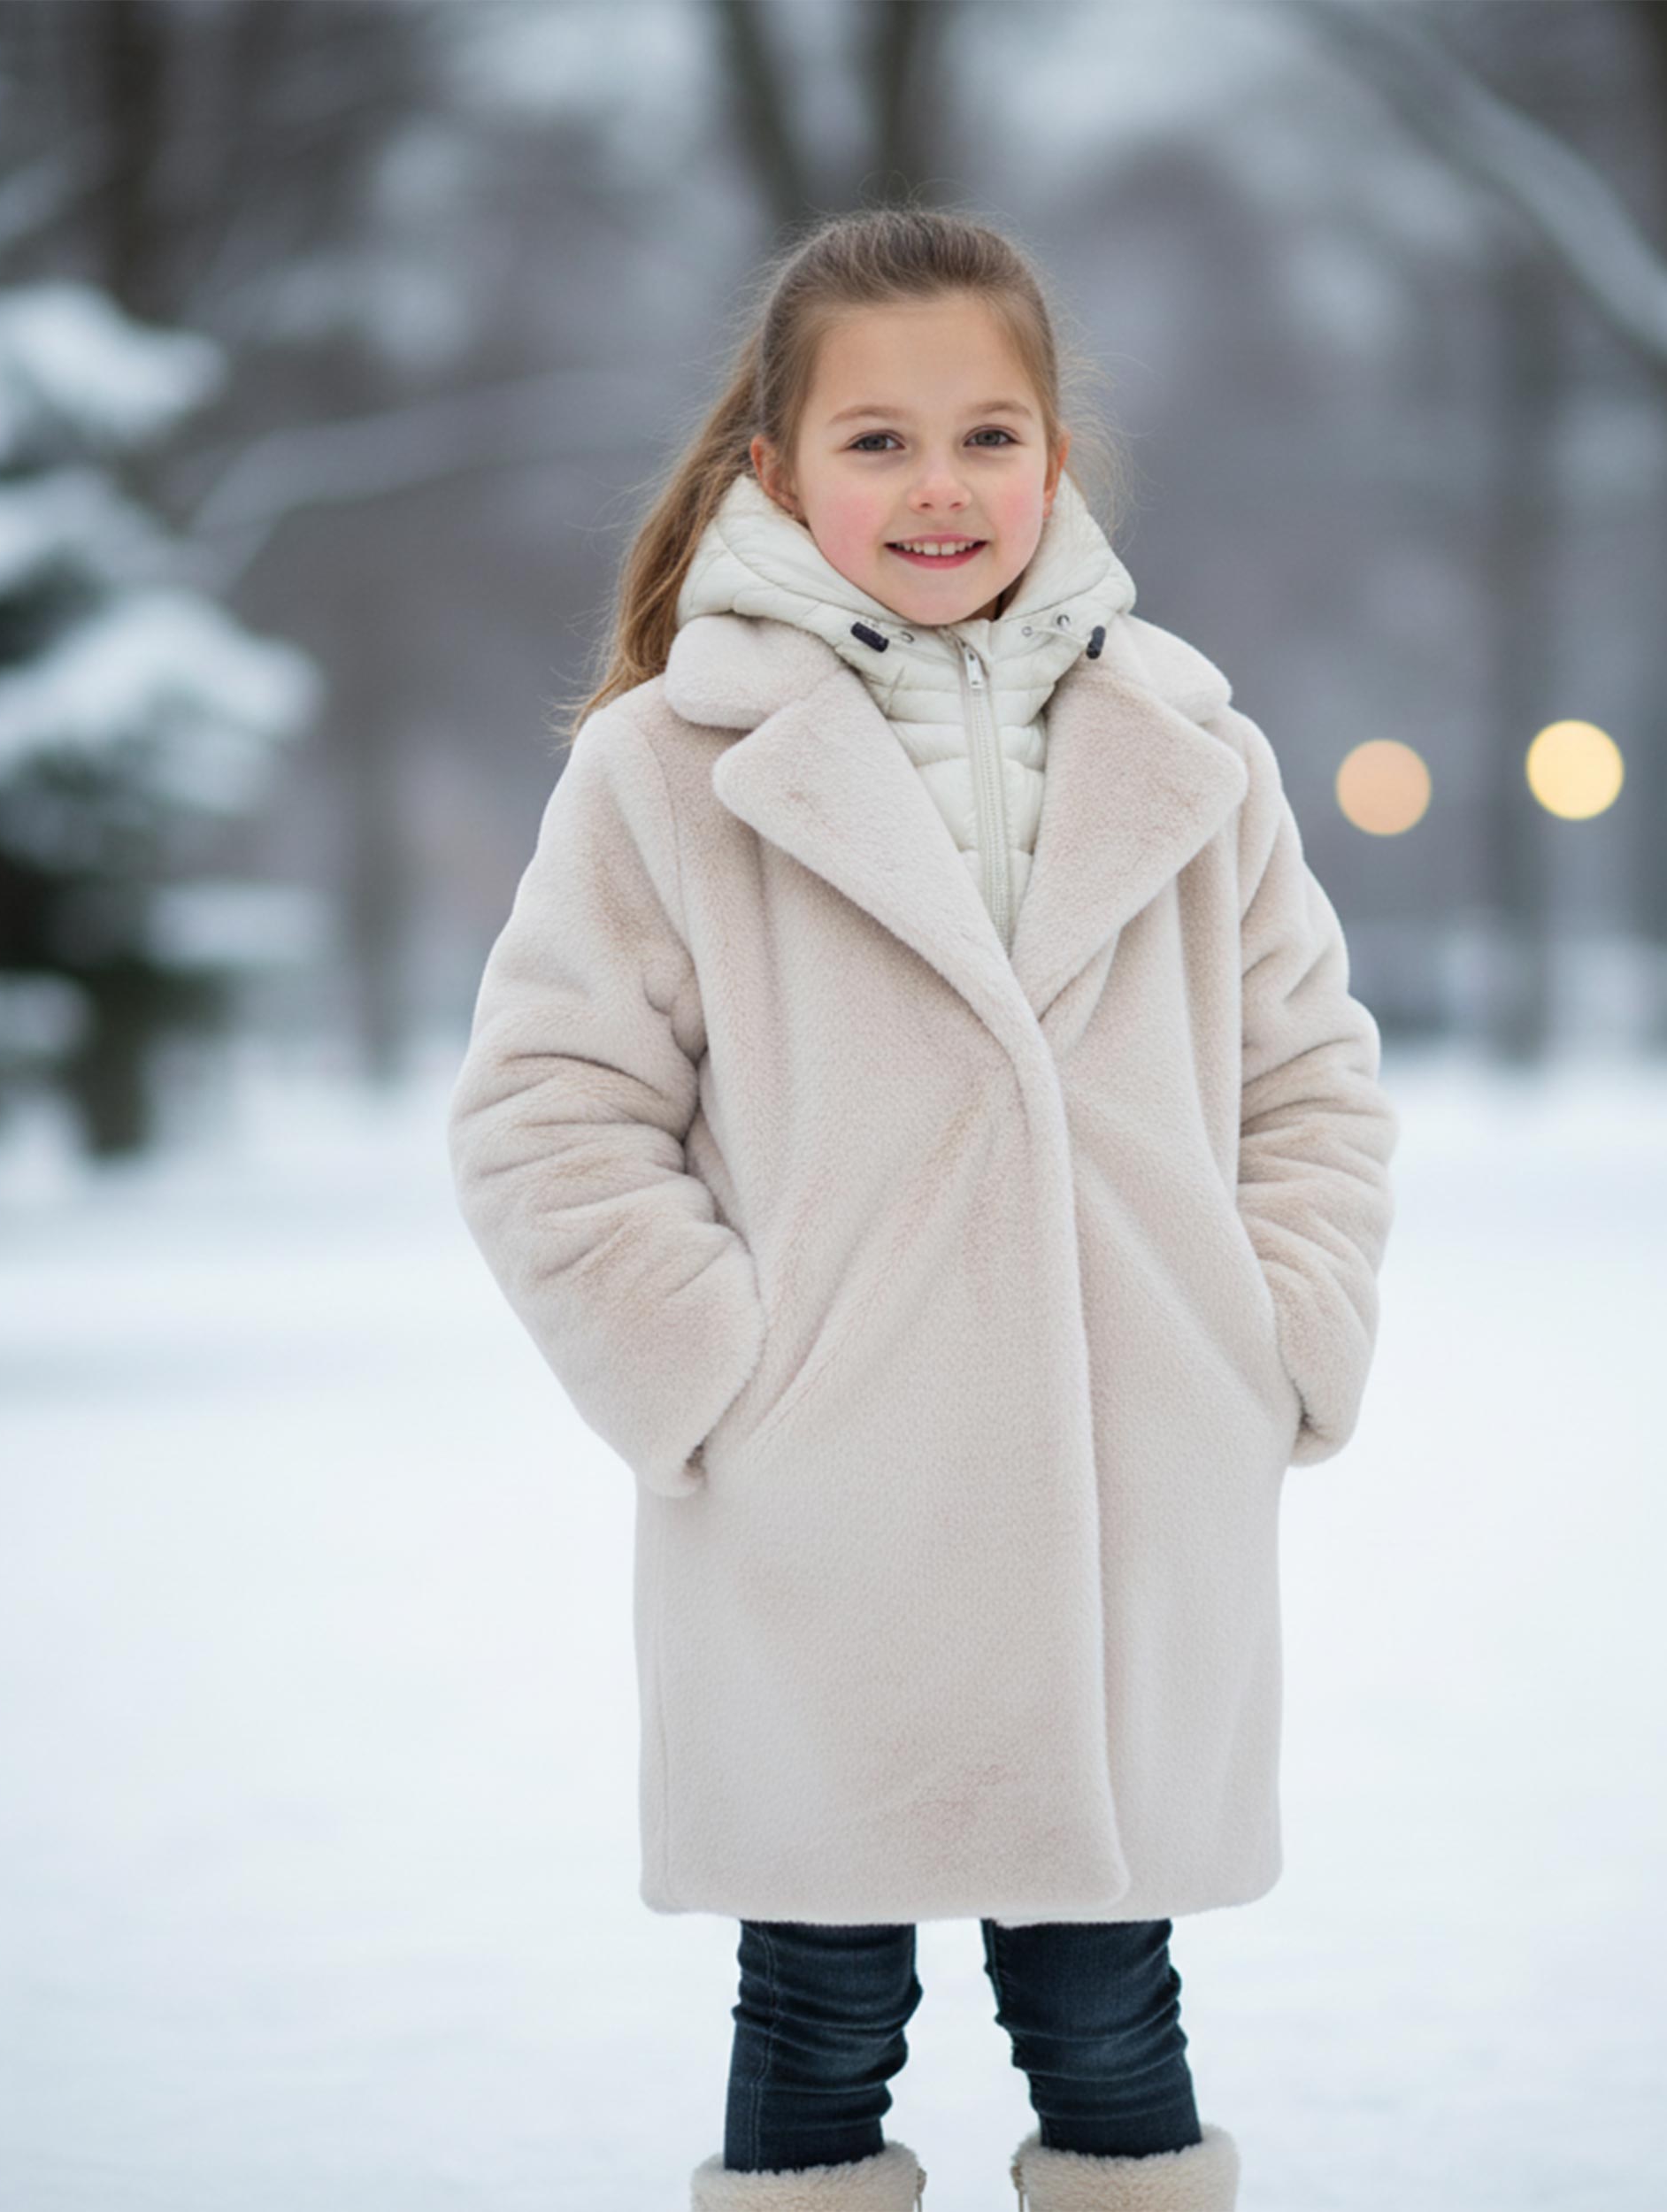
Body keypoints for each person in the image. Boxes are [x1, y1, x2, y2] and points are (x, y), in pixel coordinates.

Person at [446, 204, 1400, 2212]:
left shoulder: (1190, 753)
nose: (937, 484)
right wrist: (716, 1367)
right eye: (874, 440)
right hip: (827, 1515)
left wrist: (1278, 1331)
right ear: (773, 470)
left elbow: (1306, 1071)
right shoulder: (668, 768)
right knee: (813, 1998)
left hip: (1131, 1487)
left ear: (1054, 457)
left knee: (1109, 2002)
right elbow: (549, 1109)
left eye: (986, 432)